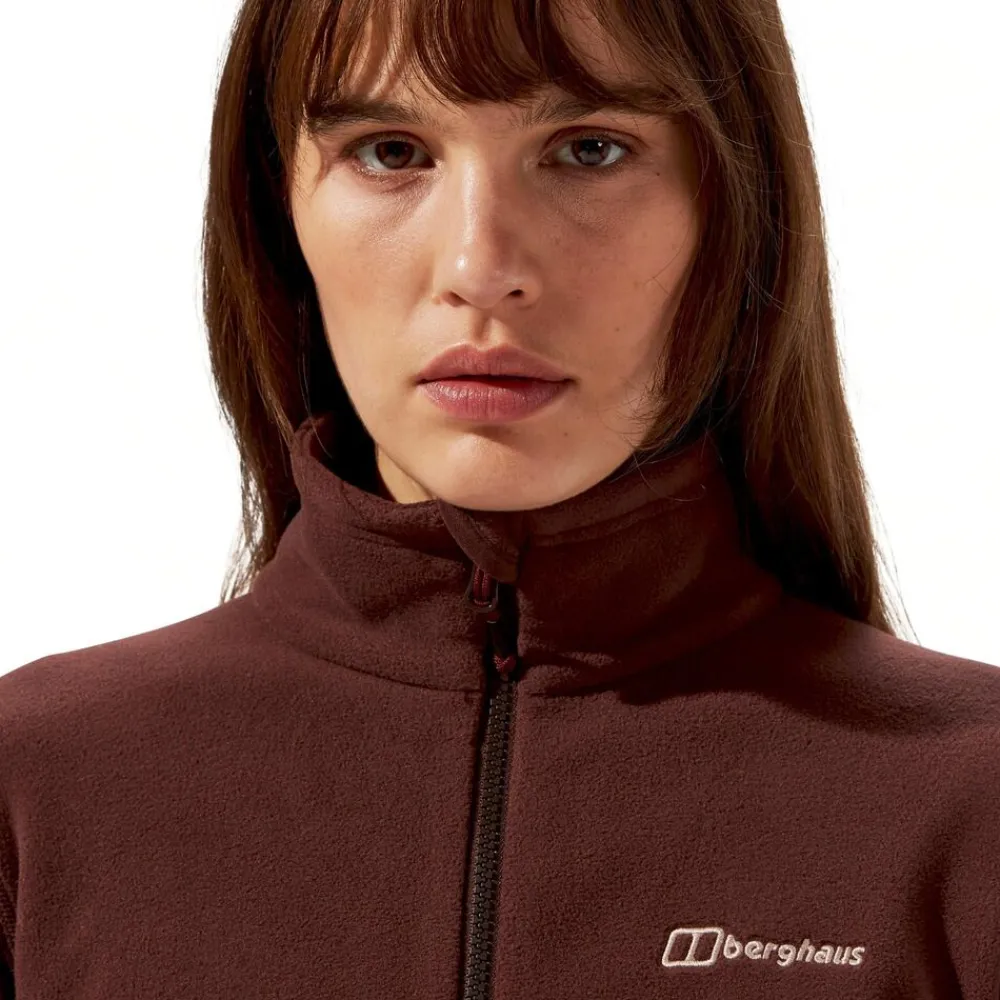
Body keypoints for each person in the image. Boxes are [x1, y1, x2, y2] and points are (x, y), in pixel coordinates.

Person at [1, 0, 998, 996]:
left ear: (732, 214)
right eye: (390, 152)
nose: (479, 270)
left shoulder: (970, 800)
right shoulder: (34, 786)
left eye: (588, 150)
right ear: (277, 210)